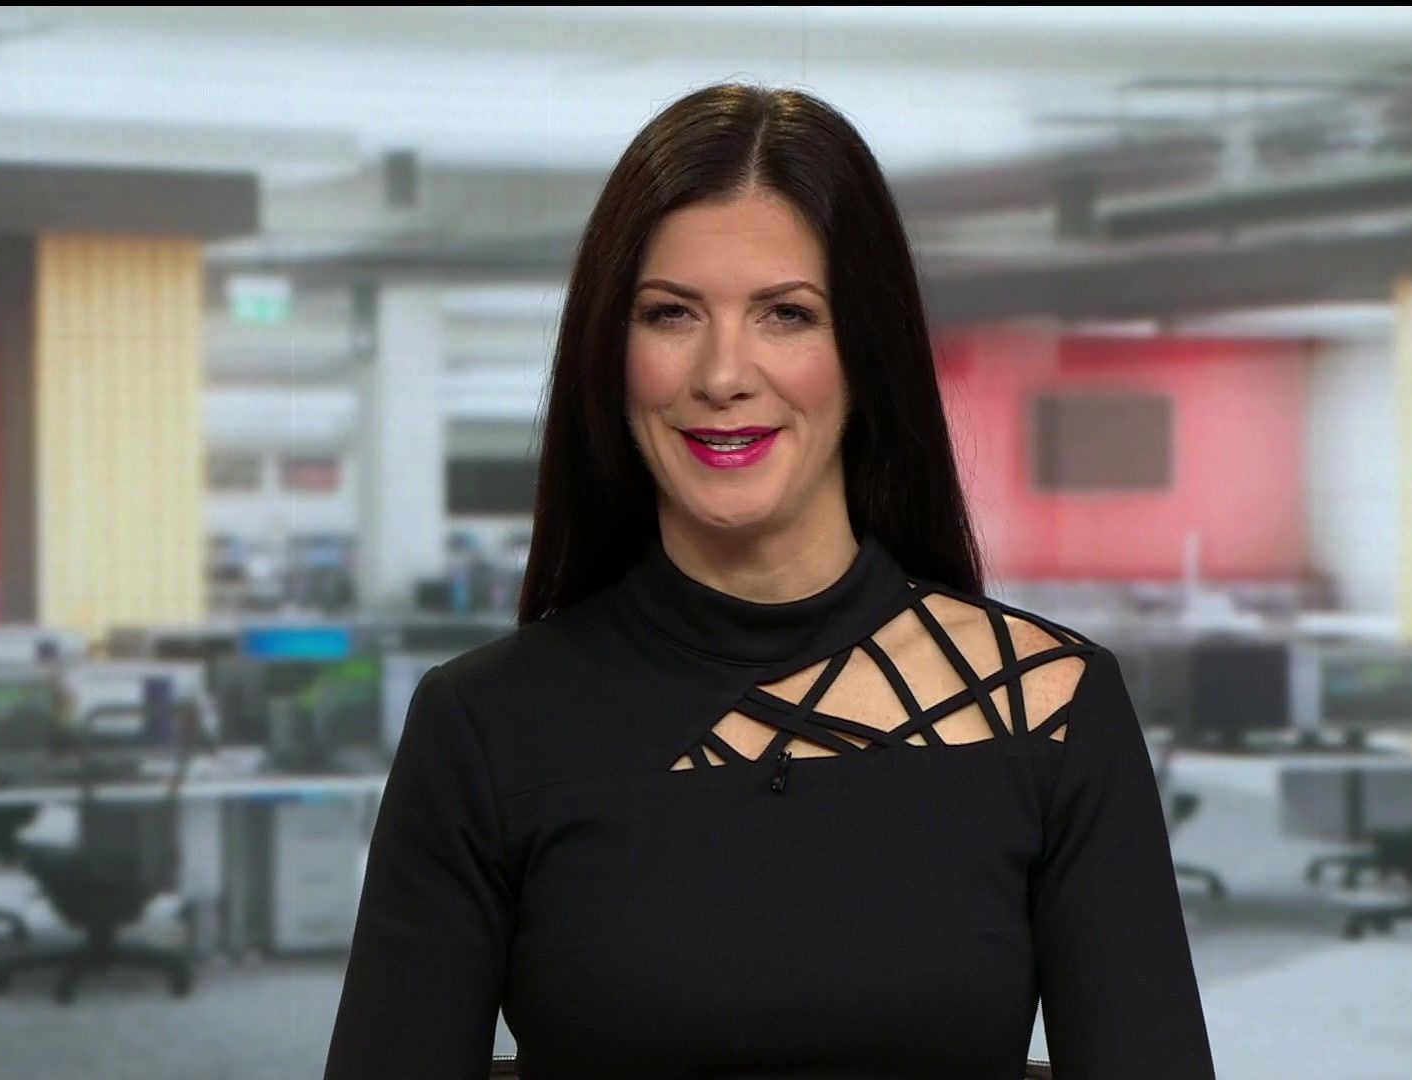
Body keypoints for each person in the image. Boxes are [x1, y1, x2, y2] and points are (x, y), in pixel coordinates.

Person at [324, 82, 1215, 1080]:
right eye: (670, 314)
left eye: (787, 314)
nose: (723, 374)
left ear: (864, 350)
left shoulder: (1048, 708)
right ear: (612, 352)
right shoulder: (486, 726)